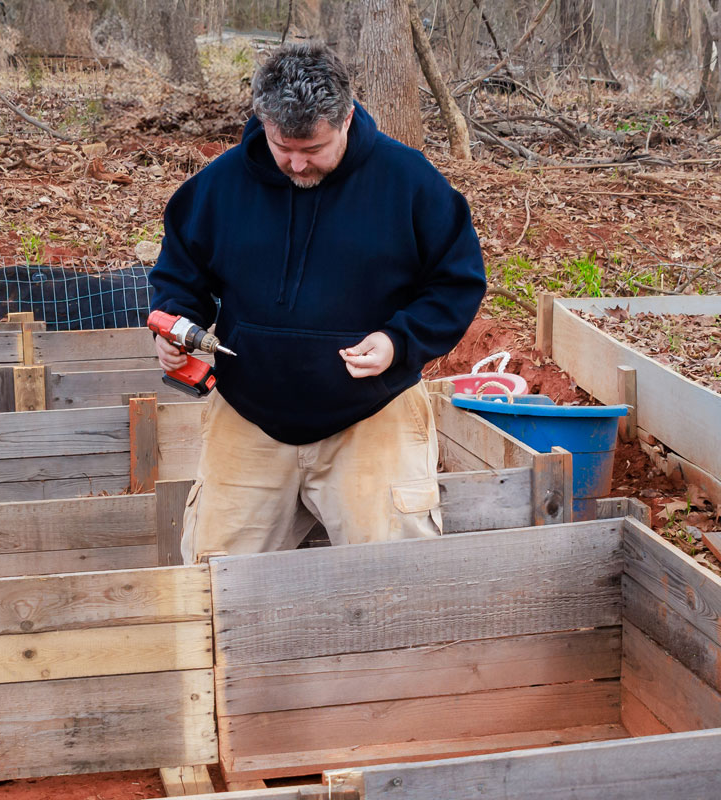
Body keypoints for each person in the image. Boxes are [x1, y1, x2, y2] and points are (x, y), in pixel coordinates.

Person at [149, 42, 486, 563]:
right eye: (284, 147)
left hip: (371, 413)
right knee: (214, 582)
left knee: (395, 582)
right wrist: (175, 327)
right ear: (263, 120)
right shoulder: (221, 185)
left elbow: (457, 281)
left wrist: (398, 342)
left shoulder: (409, 182)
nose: (297, 163)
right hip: (249, 414)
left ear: (347, 117)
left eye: (313, 148)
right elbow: (179, 273)